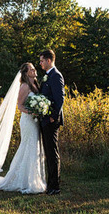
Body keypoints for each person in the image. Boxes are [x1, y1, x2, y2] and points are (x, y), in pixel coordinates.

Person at [0, 62, 46, 194]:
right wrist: (32, 112)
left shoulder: (35, 85)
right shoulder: (24, 86)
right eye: (32, 69)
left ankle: (33, 177)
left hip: (35, 121)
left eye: (34, 69)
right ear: (26, 73)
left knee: (34, 147)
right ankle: (24, 180)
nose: (35, 71)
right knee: (27, 146)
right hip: (28, 121)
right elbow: (20, 106)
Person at [39, 48, 65, 195]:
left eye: (42, 60)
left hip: (51, 120)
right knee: (48, 153)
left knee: (52, 153)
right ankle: (50, 184)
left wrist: (53, 116)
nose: (40, 63)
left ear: (49, 60)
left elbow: (60, 99)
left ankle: (54, 186)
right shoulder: (47, 76)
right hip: (45, 120)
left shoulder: (56, 76)